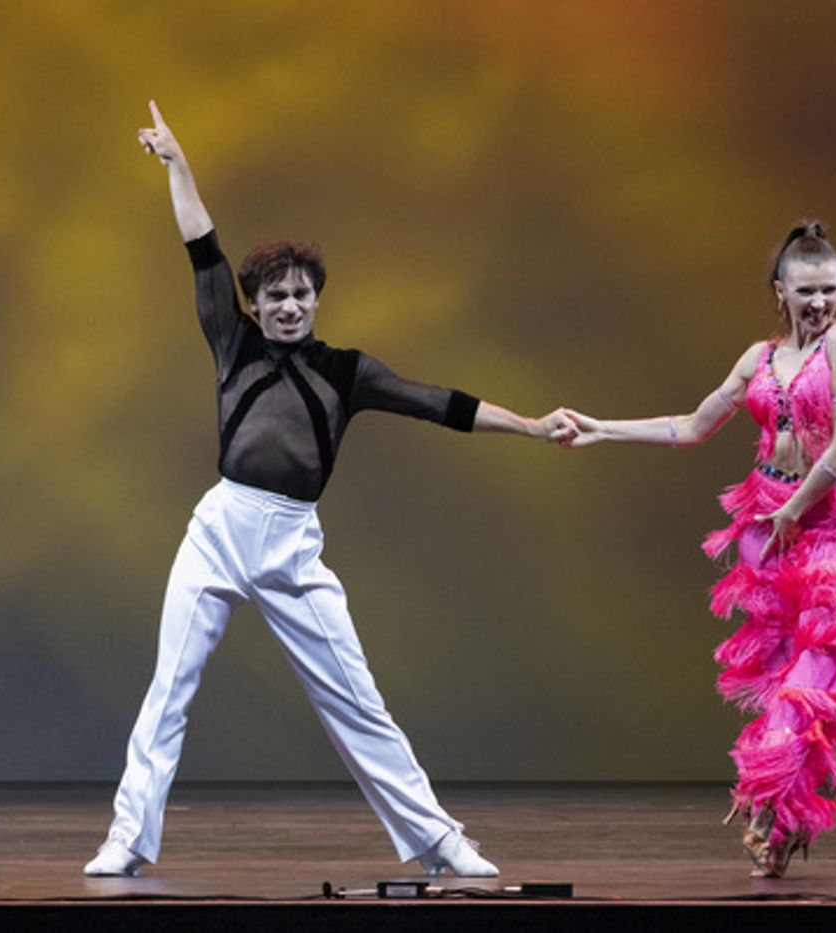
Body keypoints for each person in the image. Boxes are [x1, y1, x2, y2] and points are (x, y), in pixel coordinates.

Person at [84, 101, 577, 878]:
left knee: (358, 702)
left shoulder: (346, 370)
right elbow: (200, 245)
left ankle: (440, 840)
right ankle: (128, 838)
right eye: (274, 295)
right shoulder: (231, 339)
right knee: (167, 688)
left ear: (318, 299)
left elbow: (439, 402)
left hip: (290, 542)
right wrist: (178, 163)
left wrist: (530, 424)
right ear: (256, 303)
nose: (287, 306)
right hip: (218, 529)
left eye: (300, 295)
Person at [564, 222, 836, 877]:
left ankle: (772, 806)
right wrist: (604, 428)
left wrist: (793, 511)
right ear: (781, 290)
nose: (819, 302)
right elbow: (691, 426)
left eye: (829, 289)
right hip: (763, 527)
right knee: (776, 681)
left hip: (824, 528)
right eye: (806, 291)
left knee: (805, 688)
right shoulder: (759, 359)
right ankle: (779, 830)